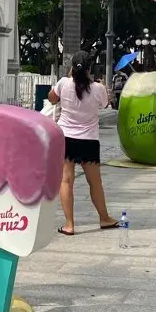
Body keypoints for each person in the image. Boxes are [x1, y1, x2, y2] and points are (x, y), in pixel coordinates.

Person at [47, 51, 119, 235]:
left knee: (66, 181)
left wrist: (67, 79)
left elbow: (51, 98)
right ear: (90, 69)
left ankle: (69, 224)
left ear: (72, 67)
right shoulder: (98, 89)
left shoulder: (64, 83)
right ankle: (104, 218)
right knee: (95, 182)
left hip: (66, 138)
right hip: (89, 140)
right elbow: (103, 105)